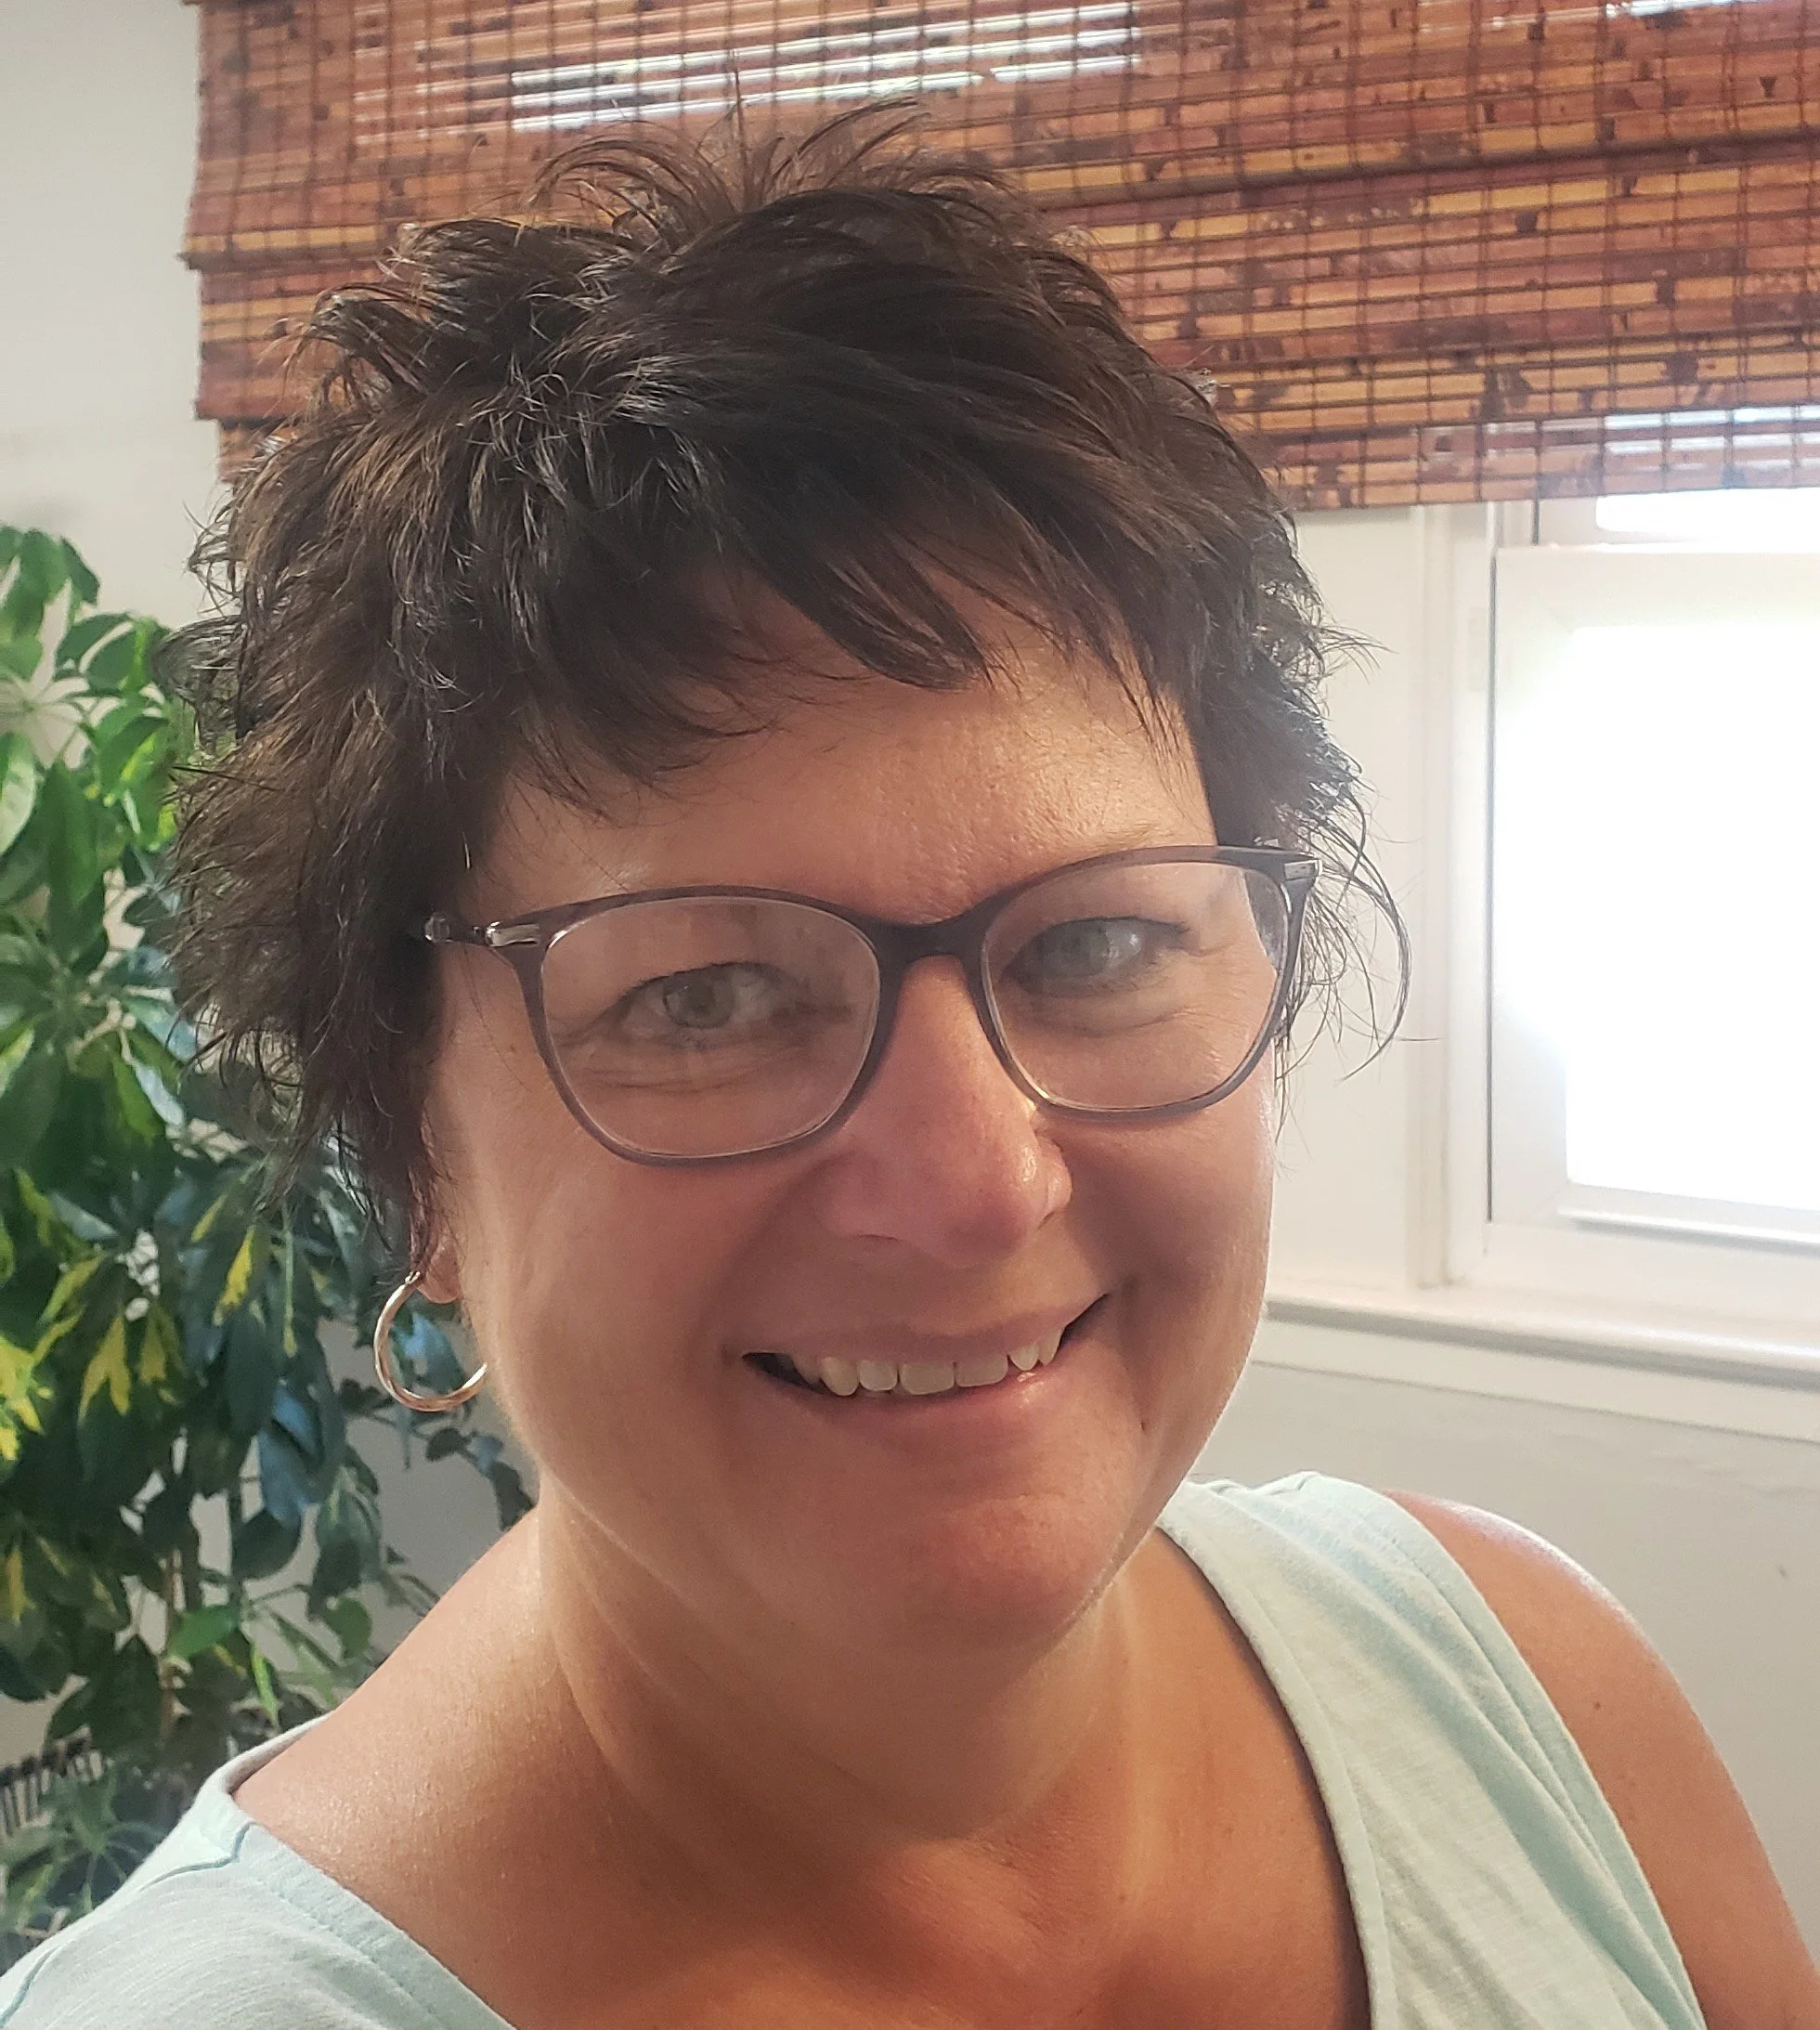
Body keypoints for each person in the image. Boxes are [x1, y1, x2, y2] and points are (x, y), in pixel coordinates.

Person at [3, 111, 1814, 2030]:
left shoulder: (1523, 1690)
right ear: (414, 1151)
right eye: (706, 995)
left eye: (1096, 944)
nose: (977, 1180)